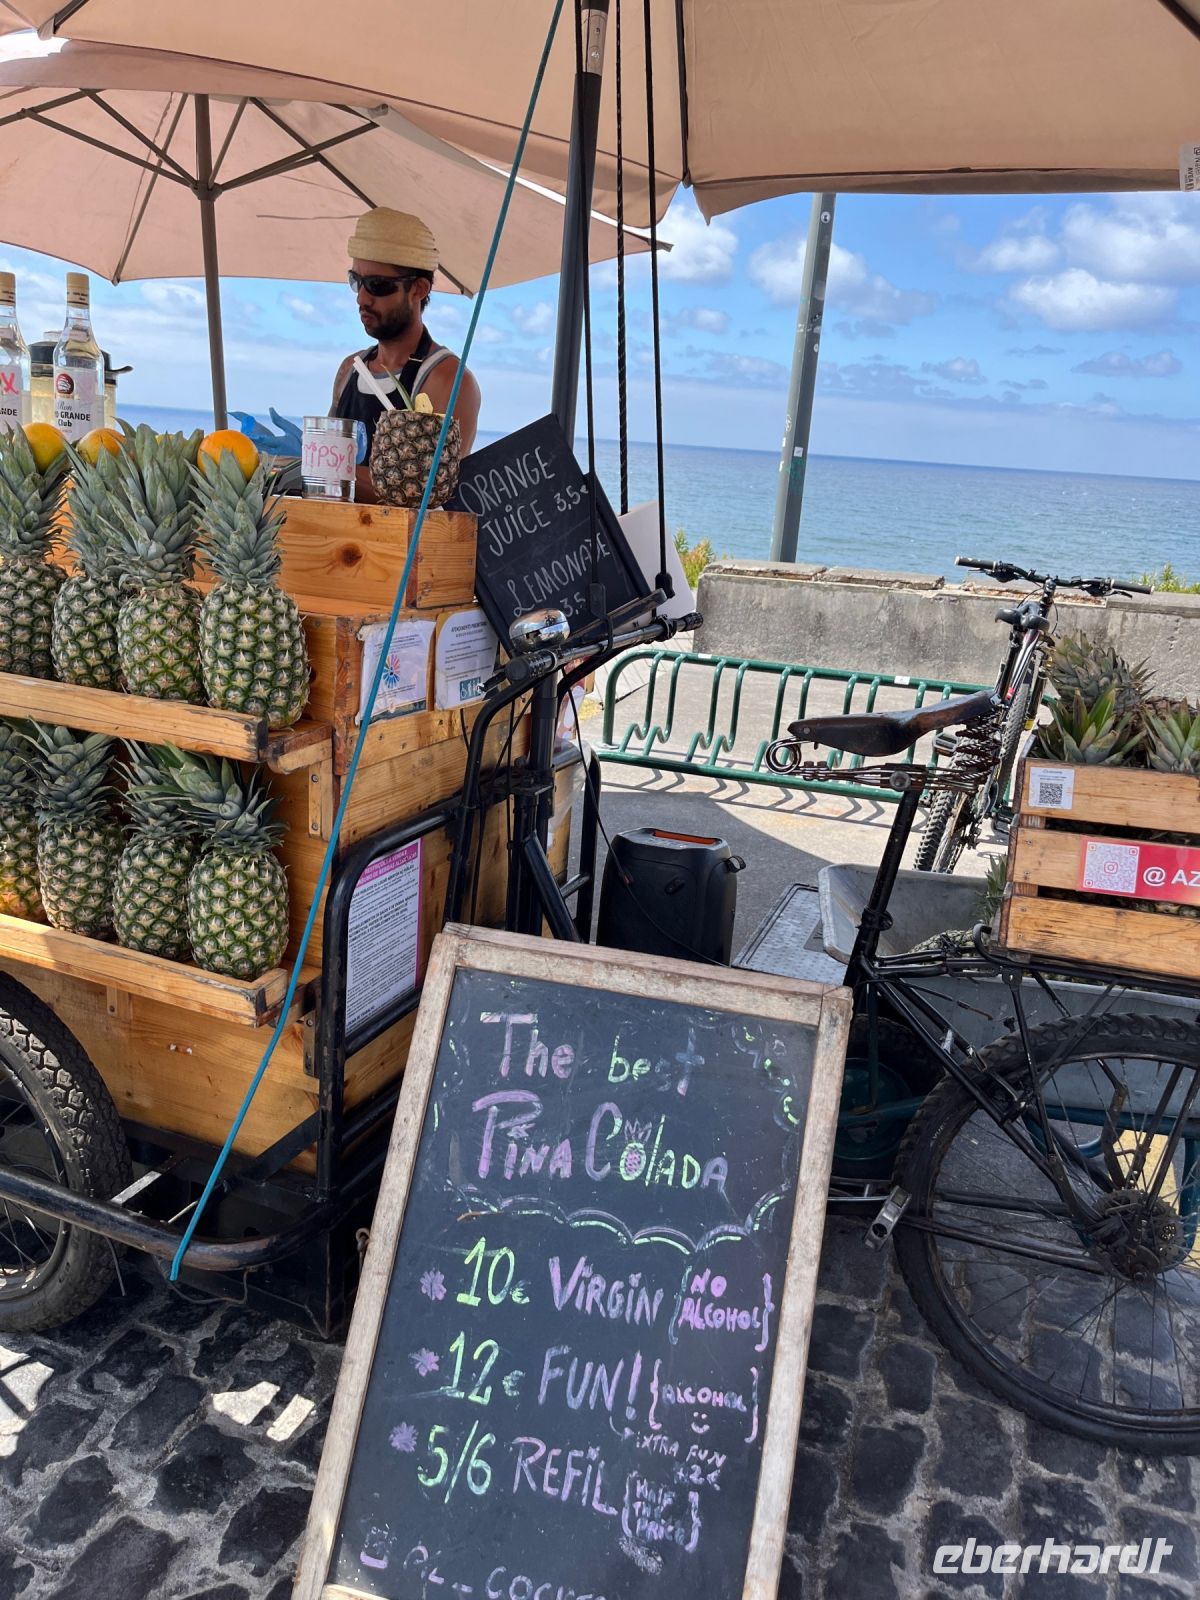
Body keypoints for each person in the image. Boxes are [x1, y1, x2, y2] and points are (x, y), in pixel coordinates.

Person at [331, 208, 481, 501]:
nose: (362, 297)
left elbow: (427, 493)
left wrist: (318, 464)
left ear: (419, 289)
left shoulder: (447, 379)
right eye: (356, 281)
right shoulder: (350, 368)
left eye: (377, 285)